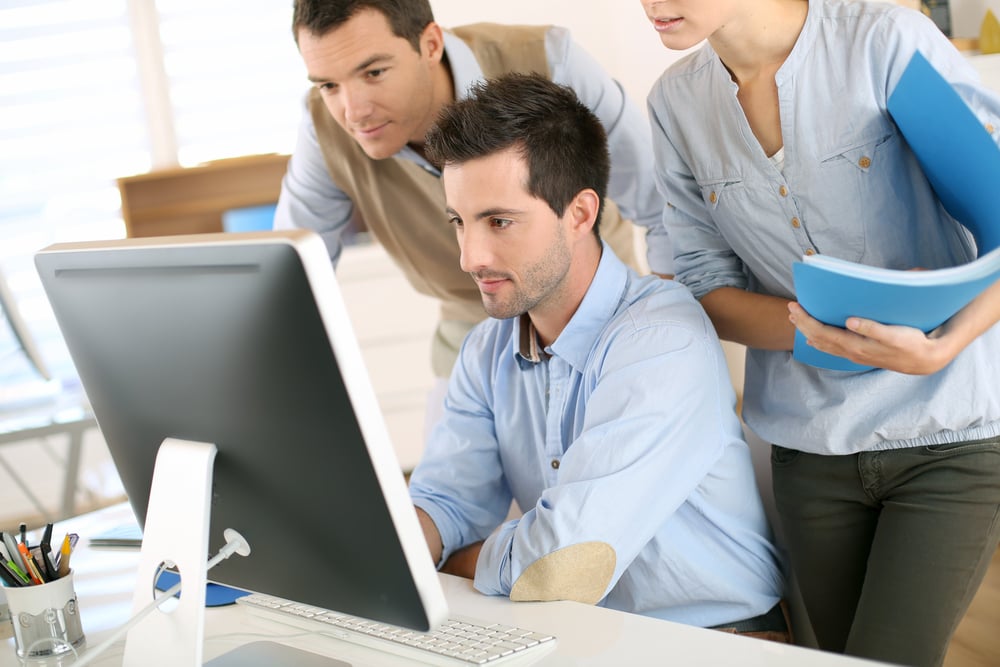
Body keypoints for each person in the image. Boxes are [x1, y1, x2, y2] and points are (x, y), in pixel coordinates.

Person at [642, 0, 1000, 664]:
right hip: (810, 455)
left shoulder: (881, 42)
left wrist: (945, 344)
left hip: (950, 434)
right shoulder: (675, 103)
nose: (652, 5)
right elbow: (703, 287)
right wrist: (824, 331)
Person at [408, 72, 786, 638]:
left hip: (717, 643)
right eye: (459, 222)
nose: (471, 256)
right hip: (583, 639)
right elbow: (442, 501)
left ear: (581, 214)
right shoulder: (487, 349)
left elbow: (562, 564)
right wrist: (405, 543)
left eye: (500, 221)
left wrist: (456, 562)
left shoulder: (661, 338)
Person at [275, 1, 670, 425]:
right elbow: (287, 278)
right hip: (472, 338)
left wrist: (661, 338)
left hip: (597, 317)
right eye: (328, 86)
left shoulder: (549, 58)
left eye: (374, 73)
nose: (353, 111)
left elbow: (664, 208)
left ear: (430, 43)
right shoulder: (323, 127)